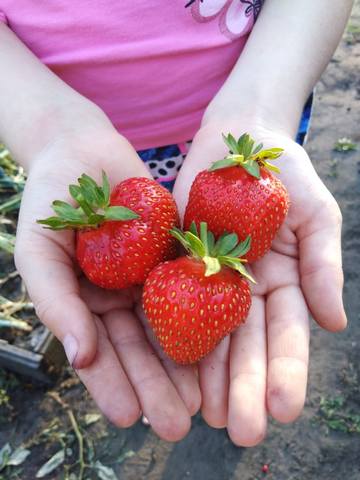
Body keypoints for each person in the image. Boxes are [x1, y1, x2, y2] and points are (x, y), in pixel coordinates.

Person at [0, 1, 352, 446]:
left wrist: (263, 110)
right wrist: (50, 132)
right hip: (92, 155)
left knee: (173, 231)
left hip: (254, 112)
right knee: (163, 226)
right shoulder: (119, 201)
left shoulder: (248, 182)